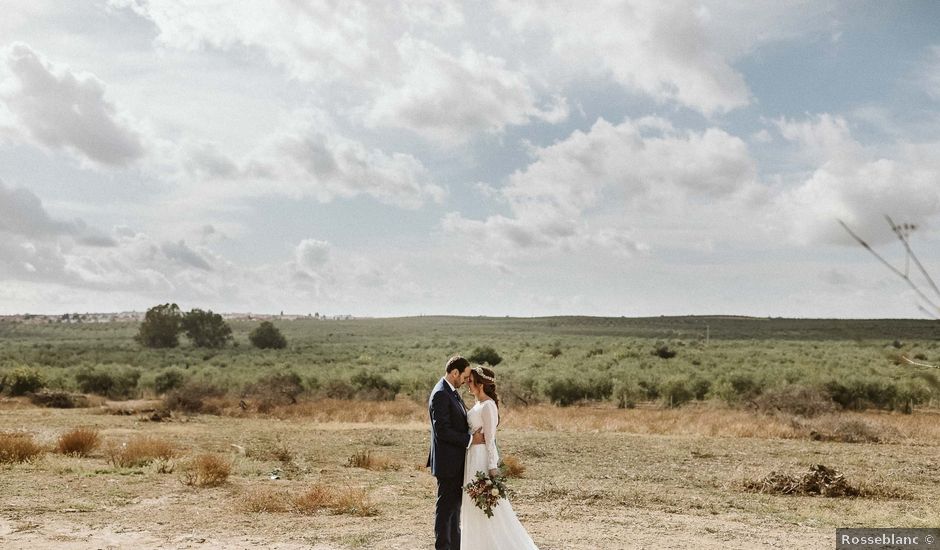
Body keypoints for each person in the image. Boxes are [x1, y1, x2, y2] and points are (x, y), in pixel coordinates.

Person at [461, 364, 539, 550]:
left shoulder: (488, 406)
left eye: (470, 381)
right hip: (471, 458)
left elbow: (490, 441)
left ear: (480, 383)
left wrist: (492, 468)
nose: (467, 384)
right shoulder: (478, 404)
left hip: (481, 460)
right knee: (472, 505)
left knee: (486, 506)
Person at [428, 355, 484, 550]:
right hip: (448, 463)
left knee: (454, 510)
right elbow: (442, 430)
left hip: (456, 462)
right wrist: (471, 439)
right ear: (454, 373)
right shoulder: (441, 394)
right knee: (445, 510)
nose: (466, 380)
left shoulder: (451, 391)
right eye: (465, 376)